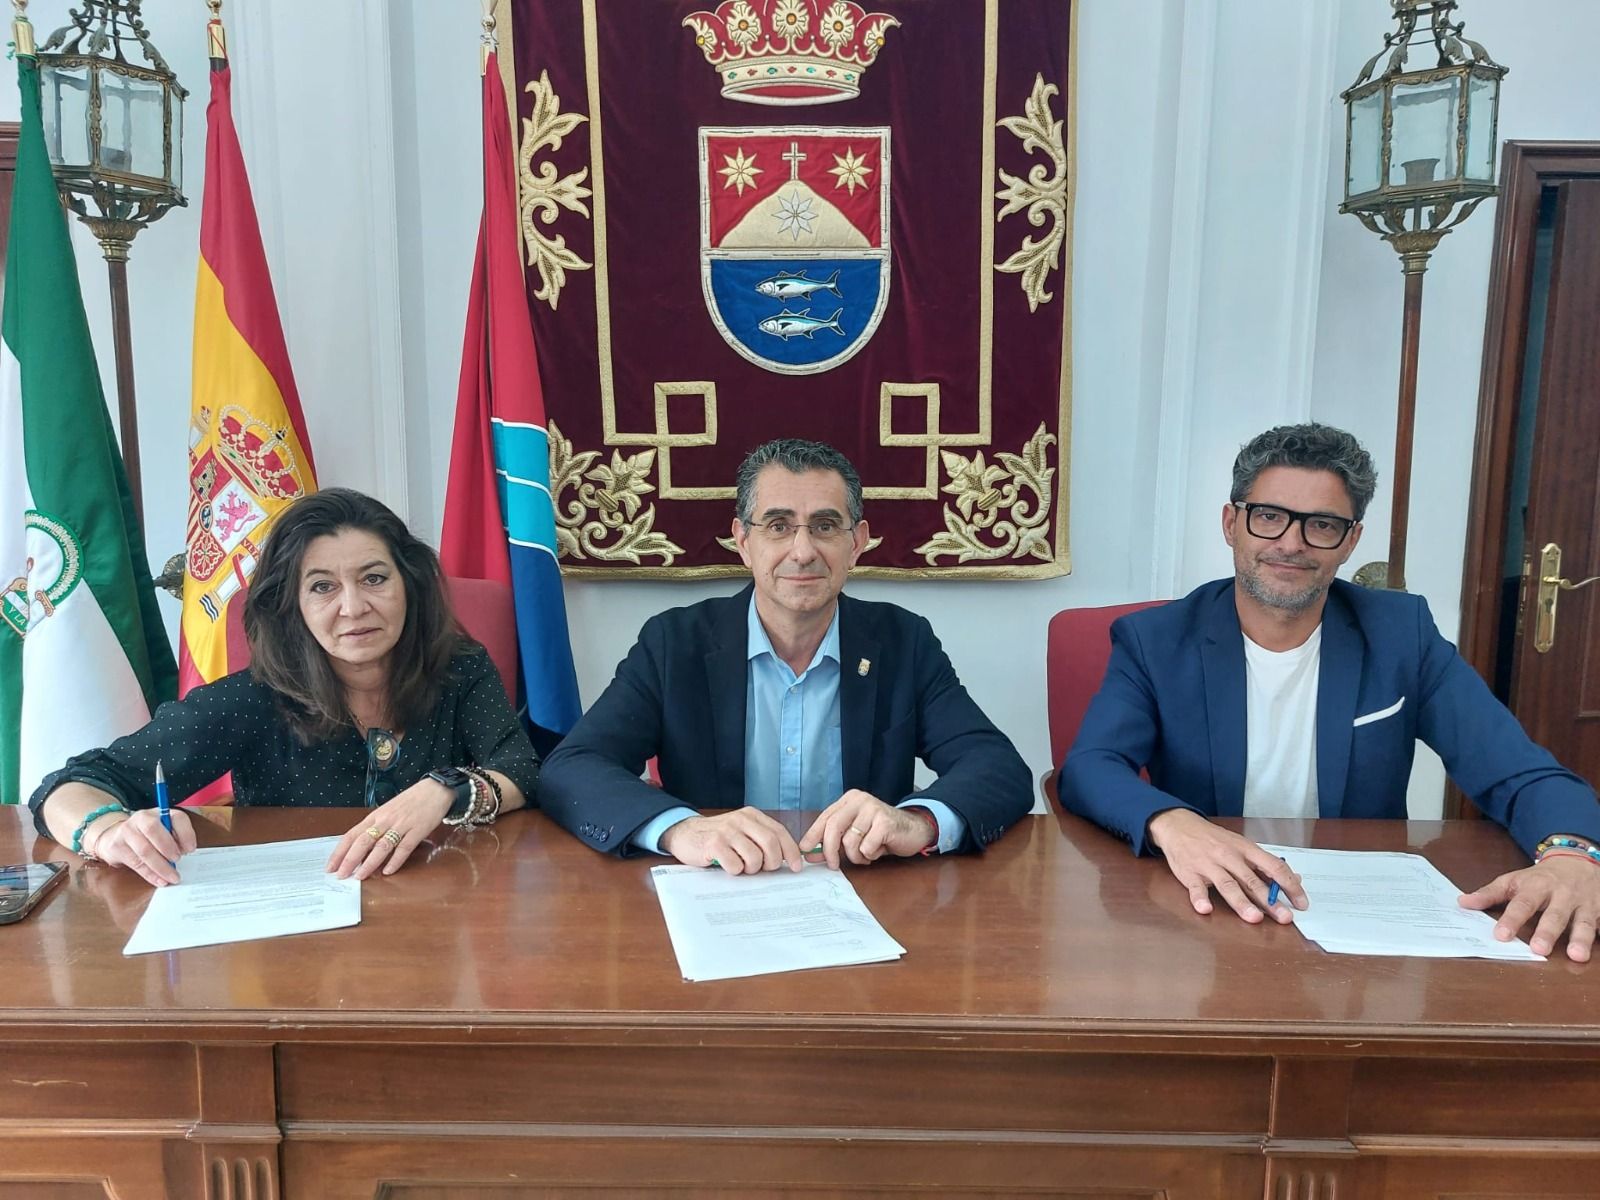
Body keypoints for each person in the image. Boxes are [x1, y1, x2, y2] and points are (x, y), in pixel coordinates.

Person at [1059, 423, 1600, 961]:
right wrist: (1174, 824)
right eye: (1268, 516)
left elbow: (1520, 771)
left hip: (1357, 918)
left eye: (1321, 524)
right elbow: (1090, 766)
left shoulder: (1400, 636)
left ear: (1351, 540)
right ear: (1231, 524)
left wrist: (1573, 855)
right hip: (1210, 908)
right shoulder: (1155, 640)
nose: (1290, 544)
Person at [540, 438, 1032, 872]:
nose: (802, 551)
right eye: (778, 525)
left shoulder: (904, 642)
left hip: (865, 893)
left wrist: (919, 821)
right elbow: (573, 767)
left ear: (856, 543)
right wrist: (681, 829)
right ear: (743, 541)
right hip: (719, 888)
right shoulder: (674, 643)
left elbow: (997, 767)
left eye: (825, 526)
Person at [29, 488, 540, 886]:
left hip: (439, 903)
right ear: (292, 605)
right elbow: (67, 787)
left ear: (410, 584)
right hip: (298, 928)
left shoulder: (458, 668)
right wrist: (106, 830)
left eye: (374, 579)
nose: (353, 607)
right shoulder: (253, 699)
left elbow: (522, 769)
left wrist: (443, 789)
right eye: (322, 587)